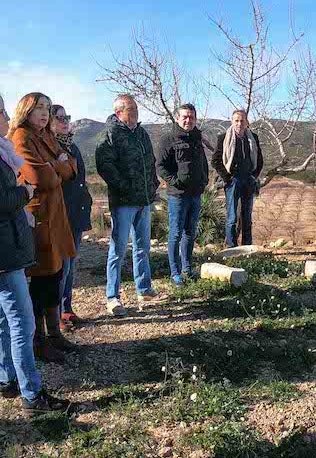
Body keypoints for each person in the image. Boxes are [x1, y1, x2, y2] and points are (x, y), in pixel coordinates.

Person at [0, 93, 72, 414]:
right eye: (0, 112)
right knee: (23, 322)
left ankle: (6, 379)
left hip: (5, 246)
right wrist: (26, 192)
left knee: (5, 318)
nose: (6, 117)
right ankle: (32, 395)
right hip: (0, 250)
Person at [7, 93, 79, 361]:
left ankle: (55, 335)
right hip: (39, 219)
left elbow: (72, 168)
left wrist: (56, 166)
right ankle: (39, 341)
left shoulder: (46, 136)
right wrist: (56, 167)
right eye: (39, 108)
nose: (44, 113)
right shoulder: (21, 137)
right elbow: (40, 178)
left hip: (55, 216)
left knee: (54, 276)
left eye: (47, 108)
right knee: (40, 279)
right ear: (25, 109)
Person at [95, 94, 161, 316]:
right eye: (131, 109)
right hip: (124, 202)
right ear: (119, 112)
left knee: (143, 247)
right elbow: (105, 166)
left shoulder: (141, 133)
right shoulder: (111, 134)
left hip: (144, 200)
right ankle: (112, 297)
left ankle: (144, 288)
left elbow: (150, 162)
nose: (136, 112)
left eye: (136, 108)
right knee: (118, 249)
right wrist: (124, 187)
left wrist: (152, 186)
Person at [156, 103, 209, 285]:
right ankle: (175, 273)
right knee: (176, 233)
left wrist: (204, 179)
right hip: (178, 195)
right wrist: (175, 181)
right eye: (185, 117)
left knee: (190, 232)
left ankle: (188, 269)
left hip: (196, 194)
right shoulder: (169, 139)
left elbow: (202, 161)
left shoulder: (196, 137)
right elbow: (160, 166)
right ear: (178, 118)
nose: (188, 120)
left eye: (191, 117)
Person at [51, 104, 92, 331]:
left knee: (71, 265)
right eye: (59, 118)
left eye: (66, 117)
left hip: (76, 213)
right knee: (60, 268)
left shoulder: (73, 147)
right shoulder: (48, 147)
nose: (65, 121)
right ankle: (56, 317)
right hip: (59, 215)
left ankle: (67, 309)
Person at [214, 109, 264, 247]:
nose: (239, 123)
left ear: (247, 122)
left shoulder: (253, 137)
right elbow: (216, 160)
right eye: (236, 120)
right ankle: (231, 247)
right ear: (232, 121)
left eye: (242, 120)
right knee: (232, 217)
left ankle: (247, 247)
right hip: (233, 181)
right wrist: (227, 178)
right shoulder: (223, 138)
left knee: (247, 216)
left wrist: (254, 176)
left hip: (248, 180)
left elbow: (259, 159)